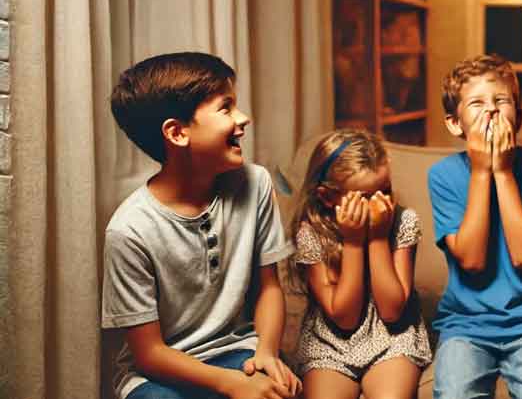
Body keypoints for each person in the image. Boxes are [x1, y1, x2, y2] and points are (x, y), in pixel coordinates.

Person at [102, 52, 300, 399]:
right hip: (160, 373)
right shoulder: (129, 230)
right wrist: (234, 386)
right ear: (177, 133)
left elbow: (269, 288)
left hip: (238, 352)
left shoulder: (255, 184)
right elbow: (149, 354)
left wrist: (267, 353)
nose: (243, 118)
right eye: (226, 108)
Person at [427, 55, 522, 399]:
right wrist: (480, 171)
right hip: (466, 324)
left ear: (518, 116)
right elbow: (473, 261)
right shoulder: (443, 176)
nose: (490, 110)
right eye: (476, 102)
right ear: (454, 123)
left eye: (501, 100)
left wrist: (503, 172)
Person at [288, 129, 431, 399]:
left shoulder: (403, 221)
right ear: (328, 197)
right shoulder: (312, 232)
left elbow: (392, 311)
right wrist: (354, 243)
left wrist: (377, 238)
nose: (380, 204)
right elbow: (345, 318)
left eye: (385, 191)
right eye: (365, 196)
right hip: (330, 339)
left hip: (393, 336)